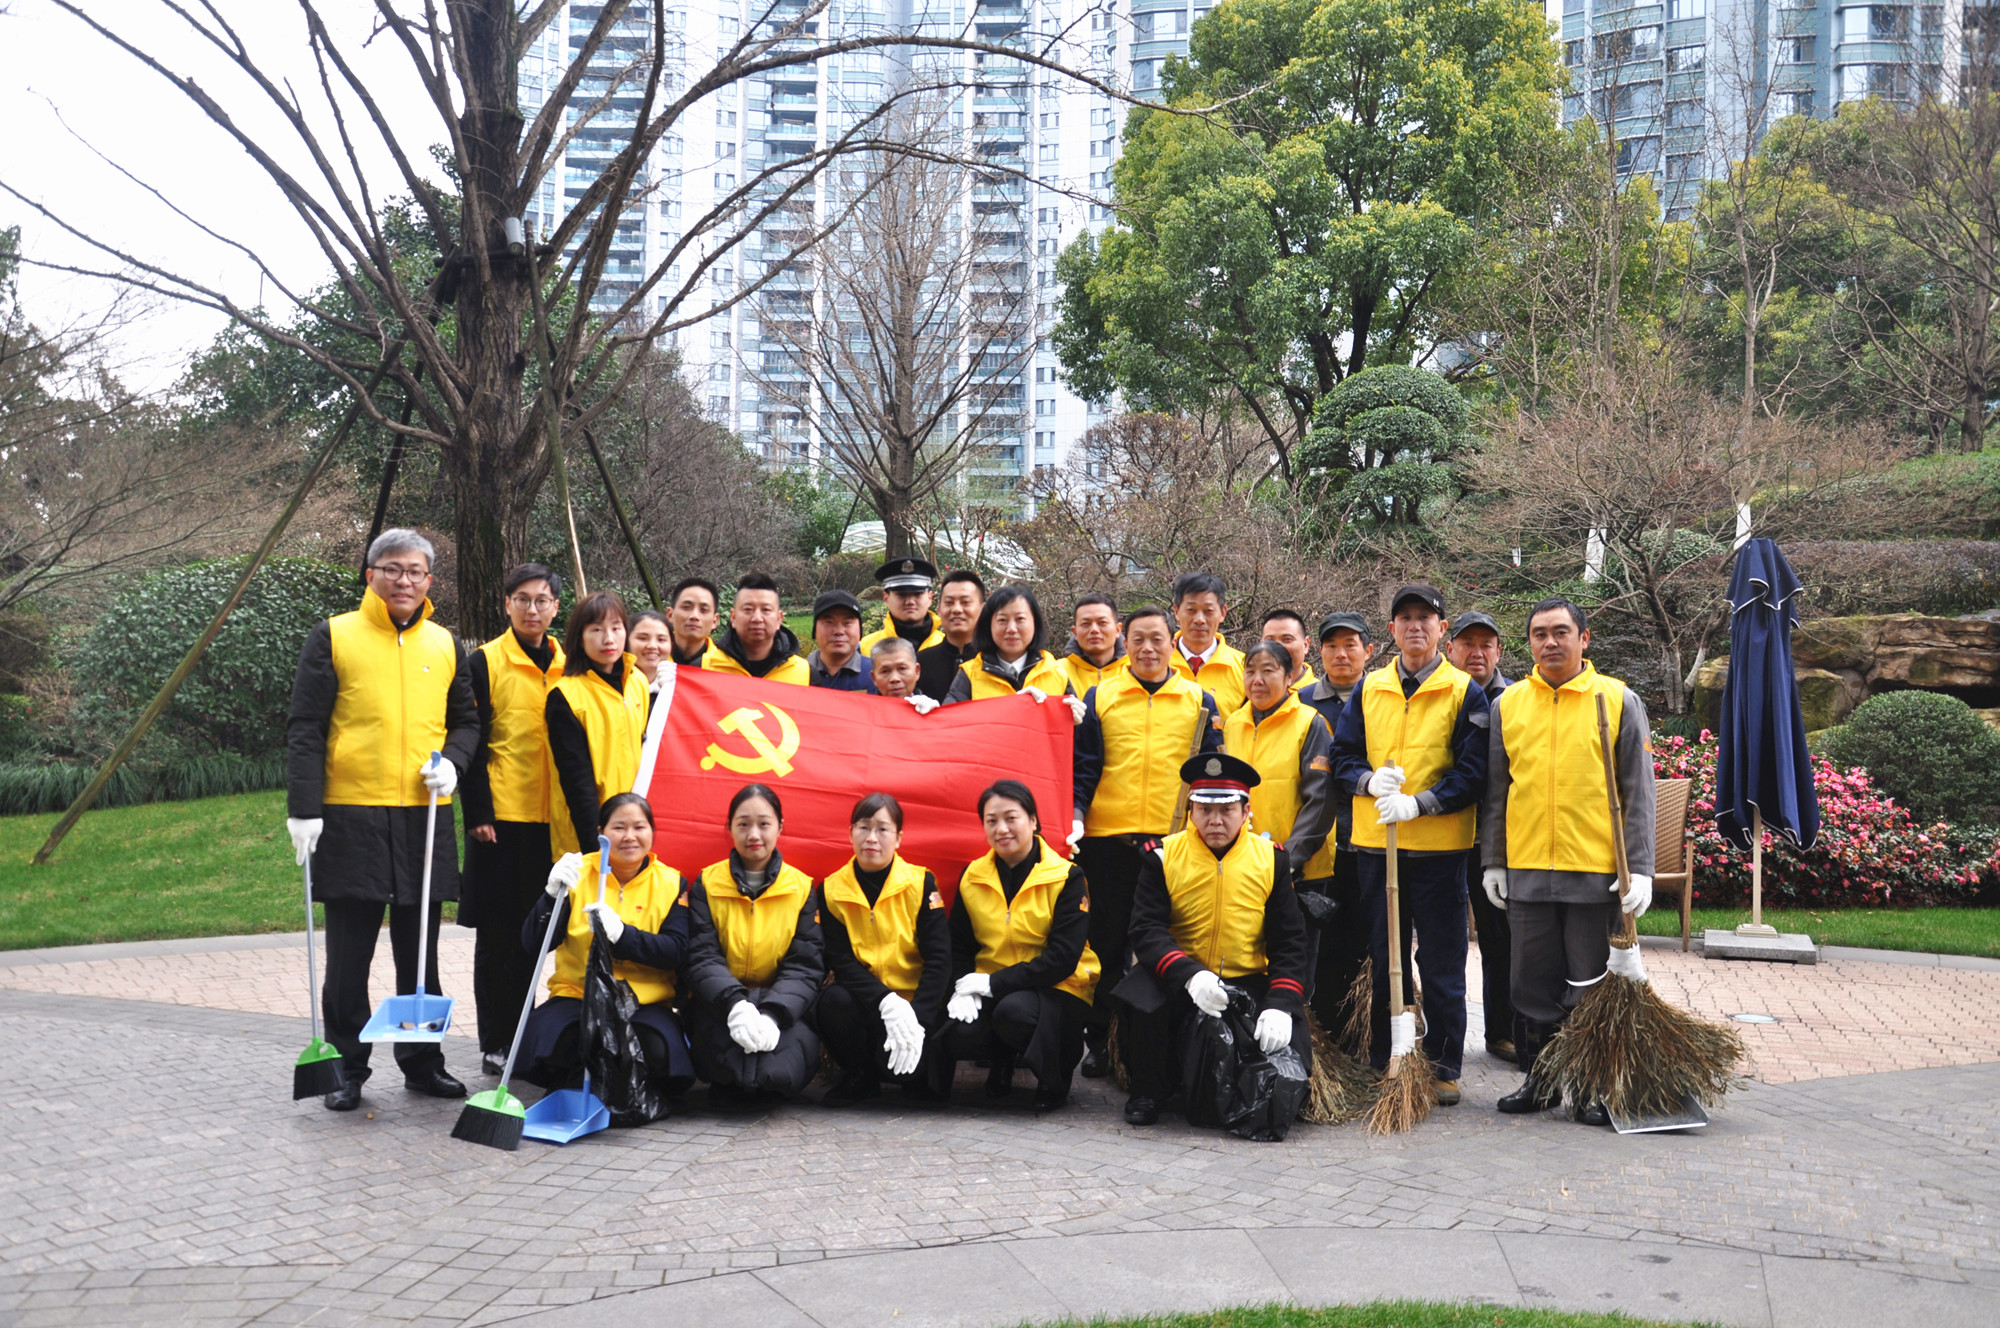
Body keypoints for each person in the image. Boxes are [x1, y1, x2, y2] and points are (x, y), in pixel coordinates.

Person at [285, 528, 479, 1111]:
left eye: (416, 571)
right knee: (349, 955)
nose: (404, 580)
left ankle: (422, 1061)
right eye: (393, 569)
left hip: (423, 816)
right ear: (370, 575)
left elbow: (467, 722)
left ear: (428, 581)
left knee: (419, 953)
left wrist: (456, 767)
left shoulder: (446, 645)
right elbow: (305, 728)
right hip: (351, 816)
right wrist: (305, 809)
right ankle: (346, 1069)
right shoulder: (336, 636)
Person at [1481, 599, 1654, 1126]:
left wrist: (1640, 867)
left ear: (1584, 638)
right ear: (1529, 642)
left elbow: (1637, 791)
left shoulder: (1619, 700)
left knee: (1588, 984)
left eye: (1561, 632)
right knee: (1529, 985)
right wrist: (1495, 859)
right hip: (1528, 868)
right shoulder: (1507, 705)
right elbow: (1496, 792)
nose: (1550, 642)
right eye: (1539, 634)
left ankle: (1593, 1086)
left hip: (1594, 871)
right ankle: (1542, 1080)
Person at [1331, 583, 1489, 1108]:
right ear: (1393, 629)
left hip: (1440, 851)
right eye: (1405, 618)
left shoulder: (1464, 690)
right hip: (1379, 848)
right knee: (1385, 958)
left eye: (1426, 617)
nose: (1415, 626)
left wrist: (1421, 804)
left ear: (1442, 629)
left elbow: (1472, 773)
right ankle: (1388, 1059)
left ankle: (1444, 1066)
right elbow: (1343, 757)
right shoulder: (1369, 688)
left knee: (1441, 961)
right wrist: (1367, 782)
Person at [1117, 753, 1313, 1127]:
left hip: (1246, 979)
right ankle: (1147, 1090)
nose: (1215, 821)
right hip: (1182, 977)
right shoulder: (1161, 857)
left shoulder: (1271, 861)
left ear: (1246, 811)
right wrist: (1191, 976)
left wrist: (1281, 1004)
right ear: (1191, 810)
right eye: (1204, 809)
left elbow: (1289, 943)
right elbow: (1146, 931)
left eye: (1226, 810)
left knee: (1291, 1049)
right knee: (1139, 997)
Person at [1070, 605, 1223, 1077]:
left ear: (1171, 640)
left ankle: (1167, 1043)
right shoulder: (1101, 696)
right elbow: (1085, 768)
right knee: (1107, 946)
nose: (1148, 648)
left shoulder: (1199, 700)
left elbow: (1210, 776)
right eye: (1138, 638)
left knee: (1169, 946)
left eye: (1157, 638)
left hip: (1172, 845)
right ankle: (1103, 1042)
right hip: (1108, 842)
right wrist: (1076, 815)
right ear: (1124, 640)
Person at [515, 793, 694, 1105]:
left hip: (644, 1001)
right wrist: (550, 895)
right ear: (601, 832)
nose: (629, 837)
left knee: (661, 1051)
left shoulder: (672, 883)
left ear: (652, 832)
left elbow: (675, 951)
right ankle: (580, 1083)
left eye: (639, 827)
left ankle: (624, 1086)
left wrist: (623, 936)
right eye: (618, 827)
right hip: (578, 993)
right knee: (550, 1040)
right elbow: (532, 942)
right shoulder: (577, 873)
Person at [462, 562, 566, 1078]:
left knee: (539, 935)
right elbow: (470, 738)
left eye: (542, 600)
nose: (532, 609)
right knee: (498, 938)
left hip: (554, 823)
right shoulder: (484, 662)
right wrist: (477, 811)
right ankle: (495, 1040)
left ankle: (526, 1034)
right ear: (506, 604)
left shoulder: (569, 663)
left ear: (555, 607)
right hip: (501, 820)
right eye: (522, 599)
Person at [942, 780, 1099, 1110]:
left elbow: (1062, 958)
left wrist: (992, 983)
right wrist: (962, 988)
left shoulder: (1066, 877)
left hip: (1058, 987)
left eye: (1011, 818)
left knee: (1014, 1012)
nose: (1001, 829)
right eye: (991, 820)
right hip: (992, 985)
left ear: (1033, 821)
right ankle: (1000, 1061)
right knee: (960, 1029)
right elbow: (959, 944)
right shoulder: (972, 876)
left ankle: (1054, 1077)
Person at [683, 784, 825, 1101]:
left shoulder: (801, 888)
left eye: (764, 823)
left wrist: (773, 1014)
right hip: (721, 1005)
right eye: (743, 824)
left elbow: (805, 965)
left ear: (780, 827)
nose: (754, 834)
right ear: (729, 828)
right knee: (723, 1072)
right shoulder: (707, 883)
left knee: (778, 1074)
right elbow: (702, 957)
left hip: (782, 1005)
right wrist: (735, 1006)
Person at [1297, 611, 1398, 1040]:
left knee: (1369, 940)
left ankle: (1367, 1034)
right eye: (1332, 646)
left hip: (1371, 840)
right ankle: (1325, 1031)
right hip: (1320, 844)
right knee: (1323, 943)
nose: (1341, 654)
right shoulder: (1301, 702)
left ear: (1369, 651)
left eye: (1350, 645)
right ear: (1319, 652)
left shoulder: (1382, 696)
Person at [815, 793, 952, 1105]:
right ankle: (860, 1076)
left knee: (914, 1082)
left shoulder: (921, 884)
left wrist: (917, 1021)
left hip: (917, 1004)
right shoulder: (832, 890)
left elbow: (940, 959)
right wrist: (886, 1001)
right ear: (850, 832)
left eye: (882, 829)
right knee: (833, 1001)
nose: (871, 838)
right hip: (870, 1003)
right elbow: (841, 961)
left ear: (899, 838)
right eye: (863, 828)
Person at [1445, 608, 1519, 1064]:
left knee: (1500, 937)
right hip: (1438, 832)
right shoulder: (1437, 694)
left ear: (1498, 651)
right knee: (1442, 942)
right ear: (1449, 647)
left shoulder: (1513, 700)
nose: (1476, 652)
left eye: (1485, 644)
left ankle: (1503, 1031)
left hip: (1492, 839)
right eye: (1466, 643)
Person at [547, 592, 651, 858]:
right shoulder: (566, 696)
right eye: (596, 630)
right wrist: (595, 847)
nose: (609, 639)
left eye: (616, 628)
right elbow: (576, 783)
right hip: (590, 834)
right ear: (579, 638)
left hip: (636, 827)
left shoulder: (637, 681)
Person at [1224, 641, 1336, 889]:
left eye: (1268, 670)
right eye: (1250, 671)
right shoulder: (1233, 724)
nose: (1257, 680)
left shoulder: (1310, 723)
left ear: (1288, 678)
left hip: (1298, 869)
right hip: (1240, 864)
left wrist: (1288, 859)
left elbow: (1321, 800)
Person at [942, 585, 1079, 713]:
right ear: (989, 625)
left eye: (1020, 619)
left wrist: (1075, 722)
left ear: (1034, 623)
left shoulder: (1055, 672)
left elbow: (1075, 735)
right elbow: (951, 725)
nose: (1011, 629)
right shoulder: (970, 674)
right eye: (1002, 620)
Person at [706, 571, 809, 683]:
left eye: (766, 610)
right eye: (748, 609)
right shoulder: (706, 667)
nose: (757, 618)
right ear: (733, 617)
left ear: (779, 618)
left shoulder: (804, 673)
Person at [1168, 571, 1247, 717]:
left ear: (1223, 612)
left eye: (1208, 611)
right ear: (1177, 611)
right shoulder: (1158, 663)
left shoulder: (1244, 668)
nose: (1199, 619)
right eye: (1191, 610)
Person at [916, 568, 987, 700]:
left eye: (965, 602)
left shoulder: (994, 662)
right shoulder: (919, 663)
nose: (956, 609)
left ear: (983, 610)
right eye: (949, 603)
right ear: (939, 610)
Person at [860, 556, 944, 655]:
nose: (910, 601)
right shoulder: (866, 648)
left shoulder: (947, 647)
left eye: (918, 594)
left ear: (930, 597)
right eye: (901, 594)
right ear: (886, 598)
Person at [1058, 592, 1126, 696]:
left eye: (1102, 622)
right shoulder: (1057, 672)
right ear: (1075, 632)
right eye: (1086, 624)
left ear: (1118, 630)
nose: (1094, 630)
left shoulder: (1136, 671)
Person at [807, 589, 874, 692]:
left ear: (860, 629)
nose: (839, 631)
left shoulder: (878, 675)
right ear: (815, 629)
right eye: (829, 622)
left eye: (847, 623)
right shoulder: (796, 674)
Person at [868, 637, 940, 714]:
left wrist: (934, 714)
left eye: (902, 669)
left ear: (917, 671)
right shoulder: (866, 714)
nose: (894, 678)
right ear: (874, 678)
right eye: (885, 671)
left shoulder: (928, 708)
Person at [1260, 608, 1318, 694]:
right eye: (1270, 641)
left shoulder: (1319, 695)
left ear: (1306, 645)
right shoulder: (1250, 691)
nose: (1278, 647)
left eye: (1287, 639)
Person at [667, 577, 720, 667]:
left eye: (704, 610)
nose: (694, 616)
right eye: (686, 607)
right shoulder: (650, 661)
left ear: (714, 621)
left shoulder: (725, 666)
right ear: (670, 615)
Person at [628, 609, 673, 690]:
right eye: (643, 638)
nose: (652, 646)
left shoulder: (678, 687)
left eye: (661, 639)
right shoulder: (614, 684)